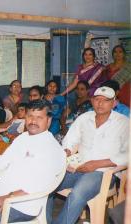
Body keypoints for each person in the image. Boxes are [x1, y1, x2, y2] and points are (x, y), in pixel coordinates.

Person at [47, 86, 129, 224]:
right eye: (97, 99)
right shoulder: (84, 118)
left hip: (104, 172)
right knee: (48, 183)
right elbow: (70, 140)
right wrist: (67, 153)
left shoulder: (124, 122)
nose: (100, 103)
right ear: (92, 101)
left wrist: (97, 164)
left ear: (114, 102)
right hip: (78, 167)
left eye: (106, 100)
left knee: (77, 194)